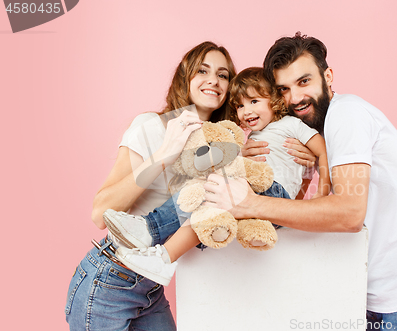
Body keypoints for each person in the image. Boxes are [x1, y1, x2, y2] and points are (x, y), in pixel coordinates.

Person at [203, 33, 397, 331]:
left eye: (304, 82)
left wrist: (252, 204)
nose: (294, 98)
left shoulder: (347, 114)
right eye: (284, 89)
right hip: (363, 295)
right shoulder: (317, 131)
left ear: (328, 76)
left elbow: (348, 213)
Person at [103, 66, 331, 285]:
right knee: (206, 211)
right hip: (263, 195)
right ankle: (163, 258)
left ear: (276, 100)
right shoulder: (253, 135)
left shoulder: (290, 124)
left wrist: (322, 192)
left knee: (208, 185)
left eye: (254, 101)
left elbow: (321, 150)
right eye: (240, 106)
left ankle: (149, 228)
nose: (247, 111)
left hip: (272, 195)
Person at [65, 41, 236, 331]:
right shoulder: (152, 126)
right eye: (203, 70)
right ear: (186, 77)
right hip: (111, 278)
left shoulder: (223, 146)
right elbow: (100, 213)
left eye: (223, 75)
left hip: (151, 288)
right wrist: (163, 156)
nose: (214, 80)